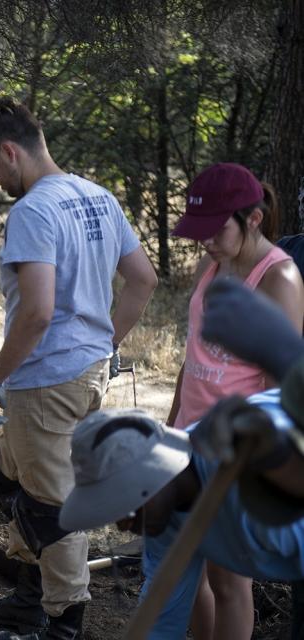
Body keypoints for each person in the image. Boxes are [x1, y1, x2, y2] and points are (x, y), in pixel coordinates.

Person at [0, 98, 158, 640]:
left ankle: (61, 624)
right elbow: (143, 280)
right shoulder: (97, 197)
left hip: (45, 378)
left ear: (10, 151)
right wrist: (107, 341)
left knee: (53, 507)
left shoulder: (32, 211)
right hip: (87, 371)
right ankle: (28, 598)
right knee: (7, 477)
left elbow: (38, 312)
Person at [166, 162, 304, 640]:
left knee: (228, 579)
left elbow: (278, 388)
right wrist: (171, 428)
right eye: (198, 231)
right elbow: (195, 352)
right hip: (190, 438)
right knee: (186, 566)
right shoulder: (216, 261)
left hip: (235, 453)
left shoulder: (279, 279)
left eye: (215, 229)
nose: (204, 241)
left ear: (254, 219)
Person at [58, 390, 304, 640]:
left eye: (125, 505)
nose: (123, 525)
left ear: (155, 474)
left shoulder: (252, 488)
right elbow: (162, 620)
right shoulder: (160, 516)